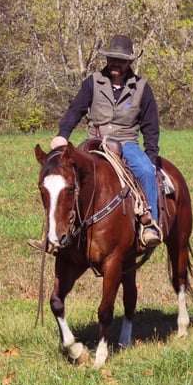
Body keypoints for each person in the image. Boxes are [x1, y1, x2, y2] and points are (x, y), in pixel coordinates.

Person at [44, 34, 162, 248]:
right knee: (60, 177)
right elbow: (75, 110)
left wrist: (151, 156)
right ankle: (54, 231)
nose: (116, 64)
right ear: (107, 59)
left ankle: (149, 224)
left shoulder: (142, 88)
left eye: (121, 60)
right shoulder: (93, 83)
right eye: (112, 59)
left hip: (126, 142)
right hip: (93, 141)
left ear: (130, 62)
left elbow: (151, 127)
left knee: (145, 170)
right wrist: (63, 134)